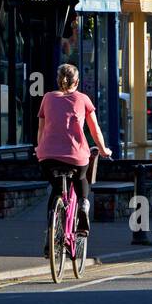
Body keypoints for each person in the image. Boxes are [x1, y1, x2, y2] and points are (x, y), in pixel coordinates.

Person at [36, 63, 110, 251]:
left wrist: (39, 148)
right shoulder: (83, 99)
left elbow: (41, 130)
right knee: (80, 178)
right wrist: (103, 150)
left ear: (58, 80)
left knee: (56, 190)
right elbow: (95, 131)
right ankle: (84, 206)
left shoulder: (47, 98)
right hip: (75, 156)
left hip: (47, 156)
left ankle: (51, 233)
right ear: (76, 81)